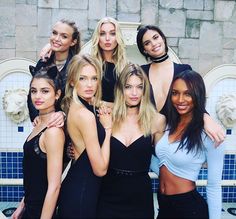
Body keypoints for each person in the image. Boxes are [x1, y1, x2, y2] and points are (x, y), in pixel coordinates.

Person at [151, 70, 224, 219]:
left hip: (189, 209)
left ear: (197, 95)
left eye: (188, 94)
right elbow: (162, 164)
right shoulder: (169, 124)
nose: (180, 99)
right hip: (164, 205)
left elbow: (214, 186)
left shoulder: (210, 133)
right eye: (175, 93)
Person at [136, 25, 225, 146]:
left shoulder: (184, 70)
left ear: (163, 38)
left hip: (176, 142)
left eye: (156, 37)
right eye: (147, 43)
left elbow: (195, 101)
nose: (153, 43)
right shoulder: (142, 72)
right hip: (147, 143)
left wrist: (206, 119)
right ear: (144, 50)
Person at [97, 63, 166, 218]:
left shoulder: (157, 120)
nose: (134, 93)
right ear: (120, 89)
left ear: (145, 90)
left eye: (139, 87)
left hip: (140, 198)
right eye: (128, 87)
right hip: (108, 196)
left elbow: (162, 161)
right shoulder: (108, 117)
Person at [56, 54, 112, 218]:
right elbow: (100, 170)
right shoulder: (85, 115)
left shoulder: (77, 105)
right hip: (81, 194)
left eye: (94, 78)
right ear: (72, 81)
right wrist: (107, 130)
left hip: (81, 189)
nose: (90, 84)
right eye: (83, 78)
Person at [12, 66, 65, 219]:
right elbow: (35, 175)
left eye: (45, 91)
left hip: (42, 211)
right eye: (34, 91)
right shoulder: (38, 124)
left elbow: (54, 186)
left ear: (57, 94)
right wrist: (22, 205)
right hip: (30, 206)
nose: (37, 96)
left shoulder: (53, 132)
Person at [28, 19, 81, 127]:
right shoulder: (43, 62)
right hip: (44, 122)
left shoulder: (77, 66)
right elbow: (32, 92)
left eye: (64, 36)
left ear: (73, 41)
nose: (56, 39)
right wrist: (35, 116)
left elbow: (81, 99)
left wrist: (64, 114)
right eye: (54, 33)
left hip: (70, 125)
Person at [90, 16, 128, 107]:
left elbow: (129, 103)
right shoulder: (90, 65)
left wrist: (102, 104)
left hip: (118, 117)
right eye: (102, 34)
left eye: (112, 33)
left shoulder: (126, 67)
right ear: (97, 38)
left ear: (118, 36)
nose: (107, 38)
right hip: (92, 115)